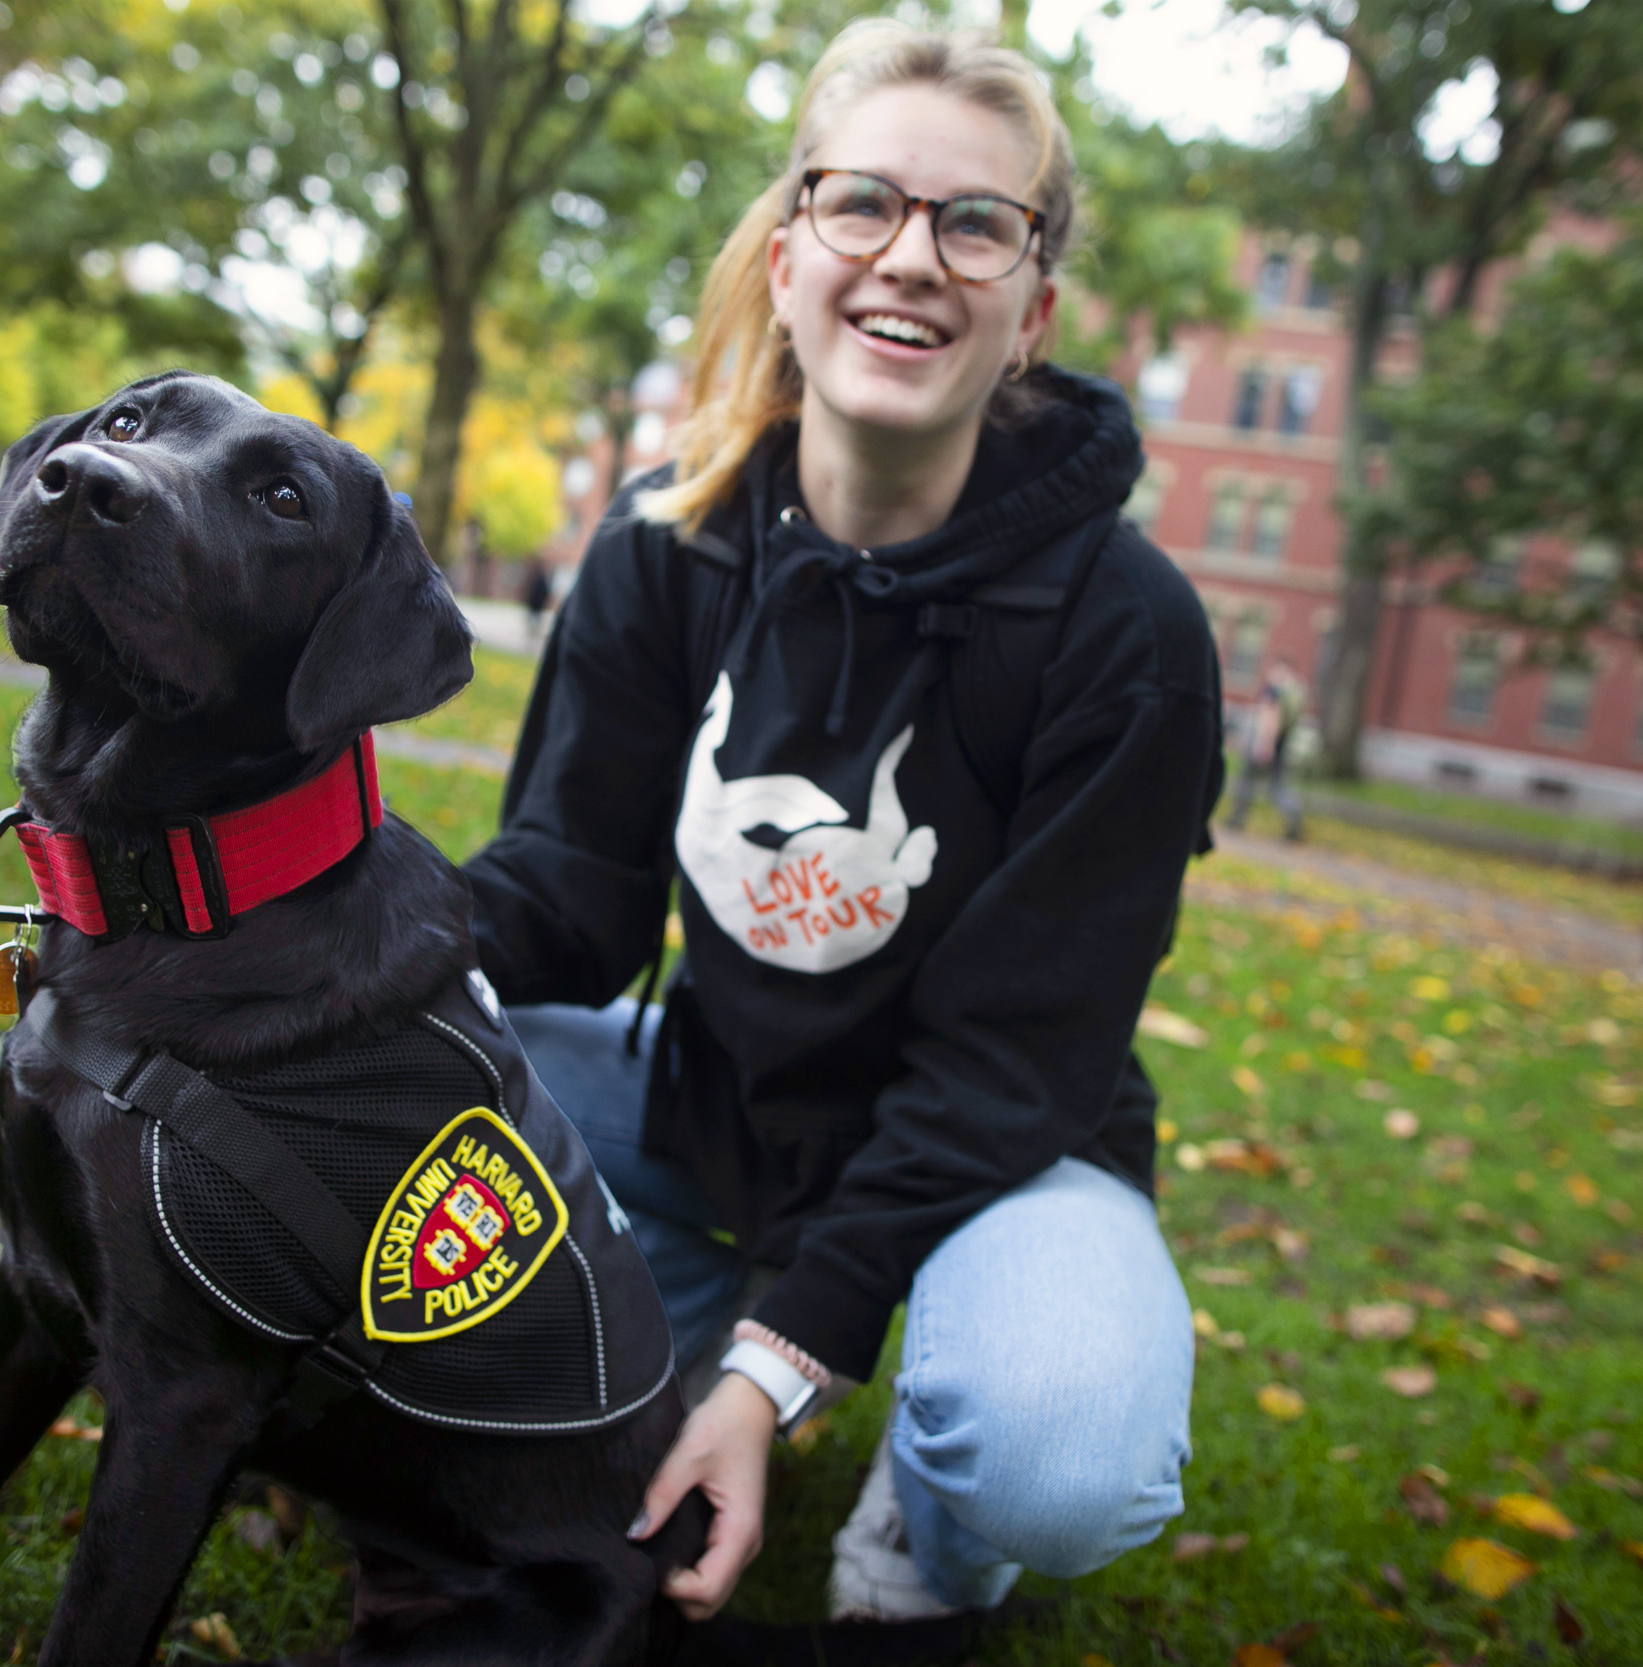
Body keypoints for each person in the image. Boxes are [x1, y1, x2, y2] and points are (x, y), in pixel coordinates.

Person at [462, 20, 1220, 1635]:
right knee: (394, 1060)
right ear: (791, 248)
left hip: (1005, 1160)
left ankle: (930, 1527)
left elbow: (1007, 1065)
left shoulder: (1126, 634)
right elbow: (574, 900)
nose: (913, 257)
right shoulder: (665, 544)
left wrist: (784, 1358)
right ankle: (651, 1345)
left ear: (1035, 311)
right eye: (862, 202)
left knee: (1058, 1450)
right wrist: (333, 922)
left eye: (976, 223)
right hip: (716, 1106)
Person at [1224, 656, 1304, 841]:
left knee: (1248, 782)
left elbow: (1270, 716)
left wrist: (1264, 744)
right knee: (1276, 785)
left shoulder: (1274, 690)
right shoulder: (1293, 690)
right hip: (1281, 745)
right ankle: (1292, 816)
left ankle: (1237, 818)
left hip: (1265, 744)